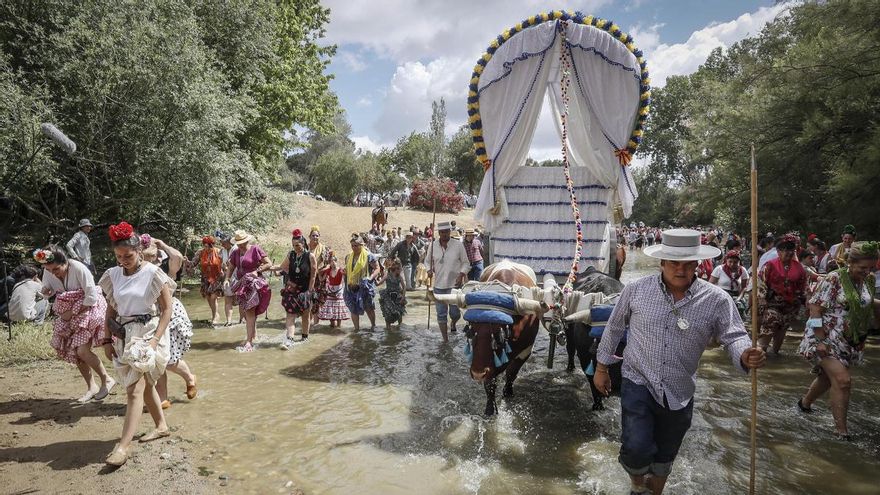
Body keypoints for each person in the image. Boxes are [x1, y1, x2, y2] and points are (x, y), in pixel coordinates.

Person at [593, 229, 766, 495]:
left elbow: (734, 336)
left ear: (698, 264)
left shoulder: (717, 299)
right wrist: (602, 368)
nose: (681, 270)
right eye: (674, 262)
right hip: (638, 379)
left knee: (665, 453)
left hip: (680, 389)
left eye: (688, 264)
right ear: (661, 262)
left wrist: (745, 354)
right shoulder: (637, 290)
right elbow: (615, 327)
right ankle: (637, 486)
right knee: (636, 446)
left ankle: (655, 490)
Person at [98, 222, 174, 466]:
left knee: (134, 390)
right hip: (123, 334)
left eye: (128, 256)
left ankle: (123, 447)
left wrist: (153, 341)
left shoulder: (153, 273)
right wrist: (107, 338)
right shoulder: (113, 275)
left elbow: (167, 310)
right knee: (145, 383)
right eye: (119, 256)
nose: (123, 260)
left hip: (148, 333)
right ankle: (161, 426)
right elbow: (110, 308)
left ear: (139, 251)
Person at [797, 242, 879, 440]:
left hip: (848, 340)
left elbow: (866, 303)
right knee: (843, 381)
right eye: (862, 268)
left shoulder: (868, 280)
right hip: (823, 335)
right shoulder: (834, 279)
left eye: (871, 267)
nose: (867, 271)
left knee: (828, 378)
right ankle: (841, 432)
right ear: (850, 263)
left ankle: (804, 404)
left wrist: (867, 331)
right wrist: (820, 341)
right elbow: (814, 308)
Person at [37, 247, 114, 403]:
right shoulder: (49, 271)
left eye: (56, 269)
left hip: (89, 309)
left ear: (65, 262)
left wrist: (72, 312)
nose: (53, 272)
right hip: (70, 314)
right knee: (74, 350)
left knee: (82, 350)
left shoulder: (78, 268)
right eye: (49, 270)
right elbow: (48, 291)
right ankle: (91, 386)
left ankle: (107, 379)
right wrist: (46, 291)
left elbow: (91, 296)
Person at [141, 242, 198, 410]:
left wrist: (161, 244)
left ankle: (190, 378)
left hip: (169, 315)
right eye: (145, 256)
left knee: (169, 360)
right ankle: (163, 398)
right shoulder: (138, 271)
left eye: (152, 256)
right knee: (157, 362)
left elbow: (178, 257)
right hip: (149, 318)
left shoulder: (165, 268)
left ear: (158, 256)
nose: (150, 260)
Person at [757, 235, 807, 355]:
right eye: (784, 250)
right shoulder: (770, 265)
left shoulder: (799, 268)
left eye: (791, 250)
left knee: (782, 330)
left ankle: (775, 354)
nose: (788, 253)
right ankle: (760, 351)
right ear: (778, 251)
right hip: (772, 303)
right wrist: (761, 299)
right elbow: (761, 282)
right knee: (770, 325)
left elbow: (803, 286)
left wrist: (806, 302)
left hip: (790, 305)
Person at [225, 230, 272, 352]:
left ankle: (249, 342)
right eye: (238, 243)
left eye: (242, 243)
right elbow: (231, 267)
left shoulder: (255, 249)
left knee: (250, 311)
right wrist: (227, 278)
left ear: (247, 241)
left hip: (254, 284)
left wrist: (257, 271)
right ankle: (254, 335)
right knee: (247, 312)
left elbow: (268, 263)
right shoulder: (235, 252)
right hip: (242, 285)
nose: (240, 245)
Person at [428, 221, 470, 341]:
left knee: (455, 313)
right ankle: (445, 340)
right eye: (442, 232)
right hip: (439, 285)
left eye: (446, 232)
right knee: (441, 314)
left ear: (449, 232)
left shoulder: (458, 245)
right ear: (439, 233)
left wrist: (461, 274)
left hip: (454, 285)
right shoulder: (433, 245)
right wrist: (428, 270)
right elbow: (427, 261)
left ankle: (453, 323)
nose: (444, 234)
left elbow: (466, 263)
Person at [275, 229, 316, 349]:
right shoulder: (291, 254)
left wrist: (310, 291)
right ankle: (290, 339)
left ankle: (304, 337)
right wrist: (266, 269)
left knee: (305, 315)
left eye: (297, 245)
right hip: (292, 290)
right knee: (290, 314)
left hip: (305, 290)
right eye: (293, 245)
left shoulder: (310, 256)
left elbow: (313, 275)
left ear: (303, 243)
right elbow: (282, 266)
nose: (295, 247)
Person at [343, 234, 380, 331]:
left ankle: (373, 326)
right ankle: (356, 329)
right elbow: (348, 270)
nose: (354, 248)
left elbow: (377, 268)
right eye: (352, 246)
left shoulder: (369, 256)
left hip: (365, 287)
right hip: (351, 286)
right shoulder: (348, 257)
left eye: (356, 245)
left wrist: (370, 277)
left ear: (362, 245)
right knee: (353, 308)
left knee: (368, 307)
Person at [190, 236, 224, 326]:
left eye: (209, 246)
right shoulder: (200, 252)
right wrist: (187, 262)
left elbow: (225, 263)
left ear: (213, 245)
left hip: (217, 277)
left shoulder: (219, 251)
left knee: (213, 297)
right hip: (205, 277)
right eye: (205, 246)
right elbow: (193, 263)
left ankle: (215, 316)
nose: (207, 248)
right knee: (208, 297)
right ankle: (215, 314)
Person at [307, 225, 330, 326]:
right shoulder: (305, 248)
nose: (315, 237)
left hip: (320, 278)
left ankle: (315, 324)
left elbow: (330, 263)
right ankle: (308, 321)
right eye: (313, 235)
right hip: (307, 277)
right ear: (309, 236)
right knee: (308, 299)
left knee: (316, 300)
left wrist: (324, 269)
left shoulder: (324, 249)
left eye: (317, 236)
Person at [317, 252, 348, 327]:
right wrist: (318, 273)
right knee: (330, 309)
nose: (333, 263)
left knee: (339, 310)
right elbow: (321, 279)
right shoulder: (328, 271)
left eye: (334, 261)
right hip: (330, 290)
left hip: (339, 291)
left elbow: (346, 279)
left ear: (336, 262)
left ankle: (338, 327)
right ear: (329, 263)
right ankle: (332, 326)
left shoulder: (341, 270)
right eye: (331, 261)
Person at [378, 258, 407, 328]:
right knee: (387, 312)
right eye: (398, 269)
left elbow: (404, 287)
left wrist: (403, 297)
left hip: (398, 296)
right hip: (388, 296)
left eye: (400, 269)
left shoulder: (399, 277)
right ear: (393, 269)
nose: (399, 270)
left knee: (399, 312)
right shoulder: (387, 275)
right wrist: (376, 279)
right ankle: (388, 328)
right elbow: (379, 282)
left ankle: (399, 326)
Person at [218, 234, 237, 326]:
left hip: (238, 276)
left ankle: (242, 320)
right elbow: (220, 263)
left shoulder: (237, 249)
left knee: (240, 299)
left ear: (230, 242)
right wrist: (222, 268)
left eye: (224, 243)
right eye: (222, 243)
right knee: (228, 299)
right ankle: (229, 321)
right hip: (227, 277)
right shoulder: (222, 251)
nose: (222, 245)